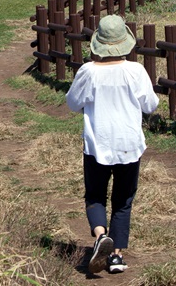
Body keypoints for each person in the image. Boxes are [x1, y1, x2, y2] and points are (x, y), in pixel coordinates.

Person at [65, 14, 159, 275]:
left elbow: (72, 104)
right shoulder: (135, 71)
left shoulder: (88, 71)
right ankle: (116, 256)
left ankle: (100, 235)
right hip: (129, 144)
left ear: (99, 43)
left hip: (97, 144)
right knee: (123, 200)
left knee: (95, 195)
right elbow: (150, 105)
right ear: (125, 43)